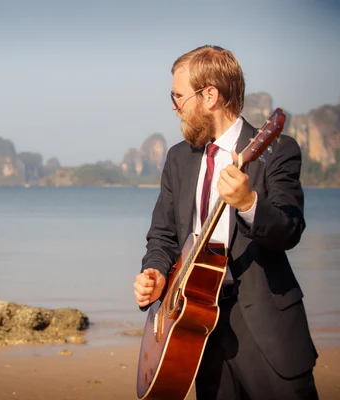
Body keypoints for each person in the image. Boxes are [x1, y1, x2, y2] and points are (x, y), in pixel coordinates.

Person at [133, 45, 318, 399]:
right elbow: (162, 236)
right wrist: (155, 273)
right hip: (197, 329)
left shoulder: (276, 150)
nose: (175, 108)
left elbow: (290, 228)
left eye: (179, 97)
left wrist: (249, 204)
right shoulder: (178, 158)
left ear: (210, 96)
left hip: (267, 328)